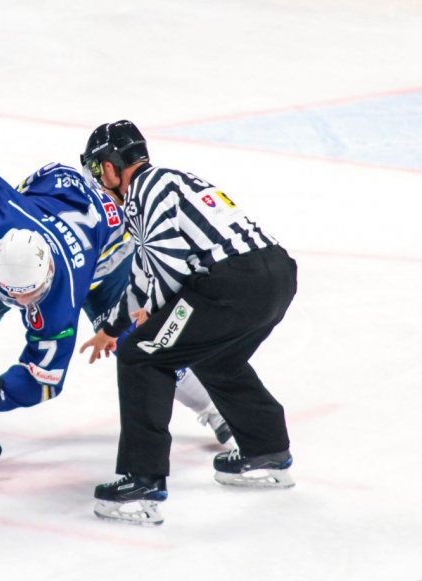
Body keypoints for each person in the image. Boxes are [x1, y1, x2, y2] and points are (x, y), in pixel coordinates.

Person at [0, 154, 231, 444]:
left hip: (105, 266)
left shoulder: (59, 300)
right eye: (11, 295)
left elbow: (45, 379)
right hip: (46, 218)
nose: (22, 305)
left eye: (31, 296)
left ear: (47, 278)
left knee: (137, 344)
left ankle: (215, 408)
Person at [79, 120, 298, 526]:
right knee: (217, 358)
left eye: (96, 170)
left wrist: (146, 322)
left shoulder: (141, 194)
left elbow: (168, 269)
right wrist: (111, 327)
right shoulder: (173, 180)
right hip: (277, 276)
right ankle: (267, 451)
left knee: (141, 356)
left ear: (109, 167)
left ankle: (142, 482)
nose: (99, 181)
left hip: (230, 284)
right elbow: (143, 273)